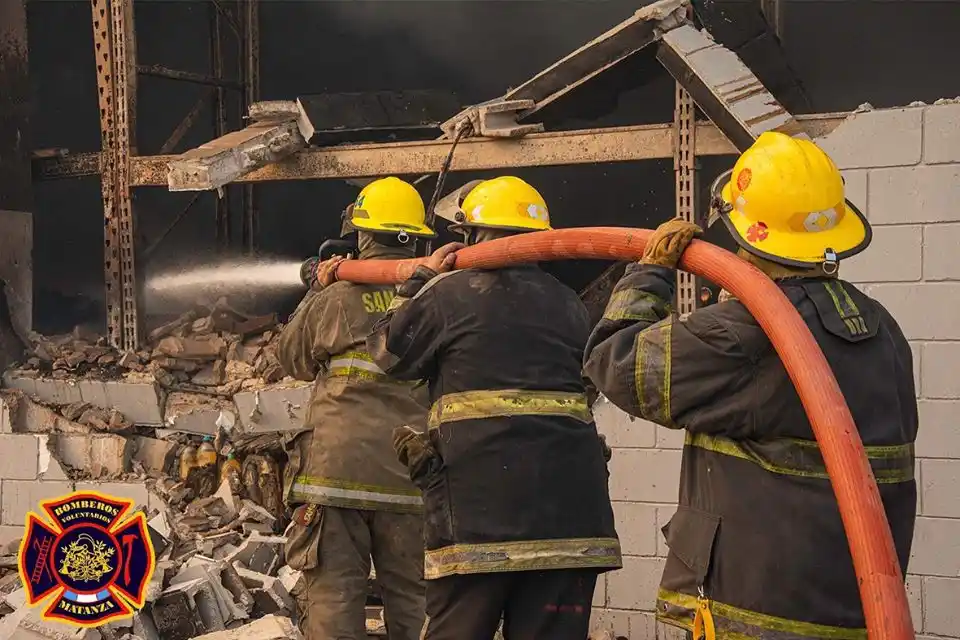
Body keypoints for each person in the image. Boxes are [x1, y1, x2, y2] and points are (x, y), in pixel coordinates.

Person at [583, 131, 918, 639]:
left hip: (755, 615)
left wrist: (649, 274)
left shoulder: (747, 331)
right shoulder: (878, 325)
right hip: (857, 613)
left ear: (745, 232)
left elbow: (614, 364)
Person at [366, 176, 622, 640]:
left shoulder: (447, 295)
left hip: (479, 522)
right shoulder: (568, 304)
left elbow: (389, 355)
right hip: (569, 523)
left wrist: (416, 282)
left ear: (470, 236)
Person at [278, 176, 434, 640]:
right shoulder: (437, 296)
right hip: (410, 476)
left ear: (363, 235)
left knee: (333, 599)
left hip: (334, 475)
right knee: (418, 601)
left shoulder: (336, 296)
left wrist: (316, 288)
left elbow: (292, 358)